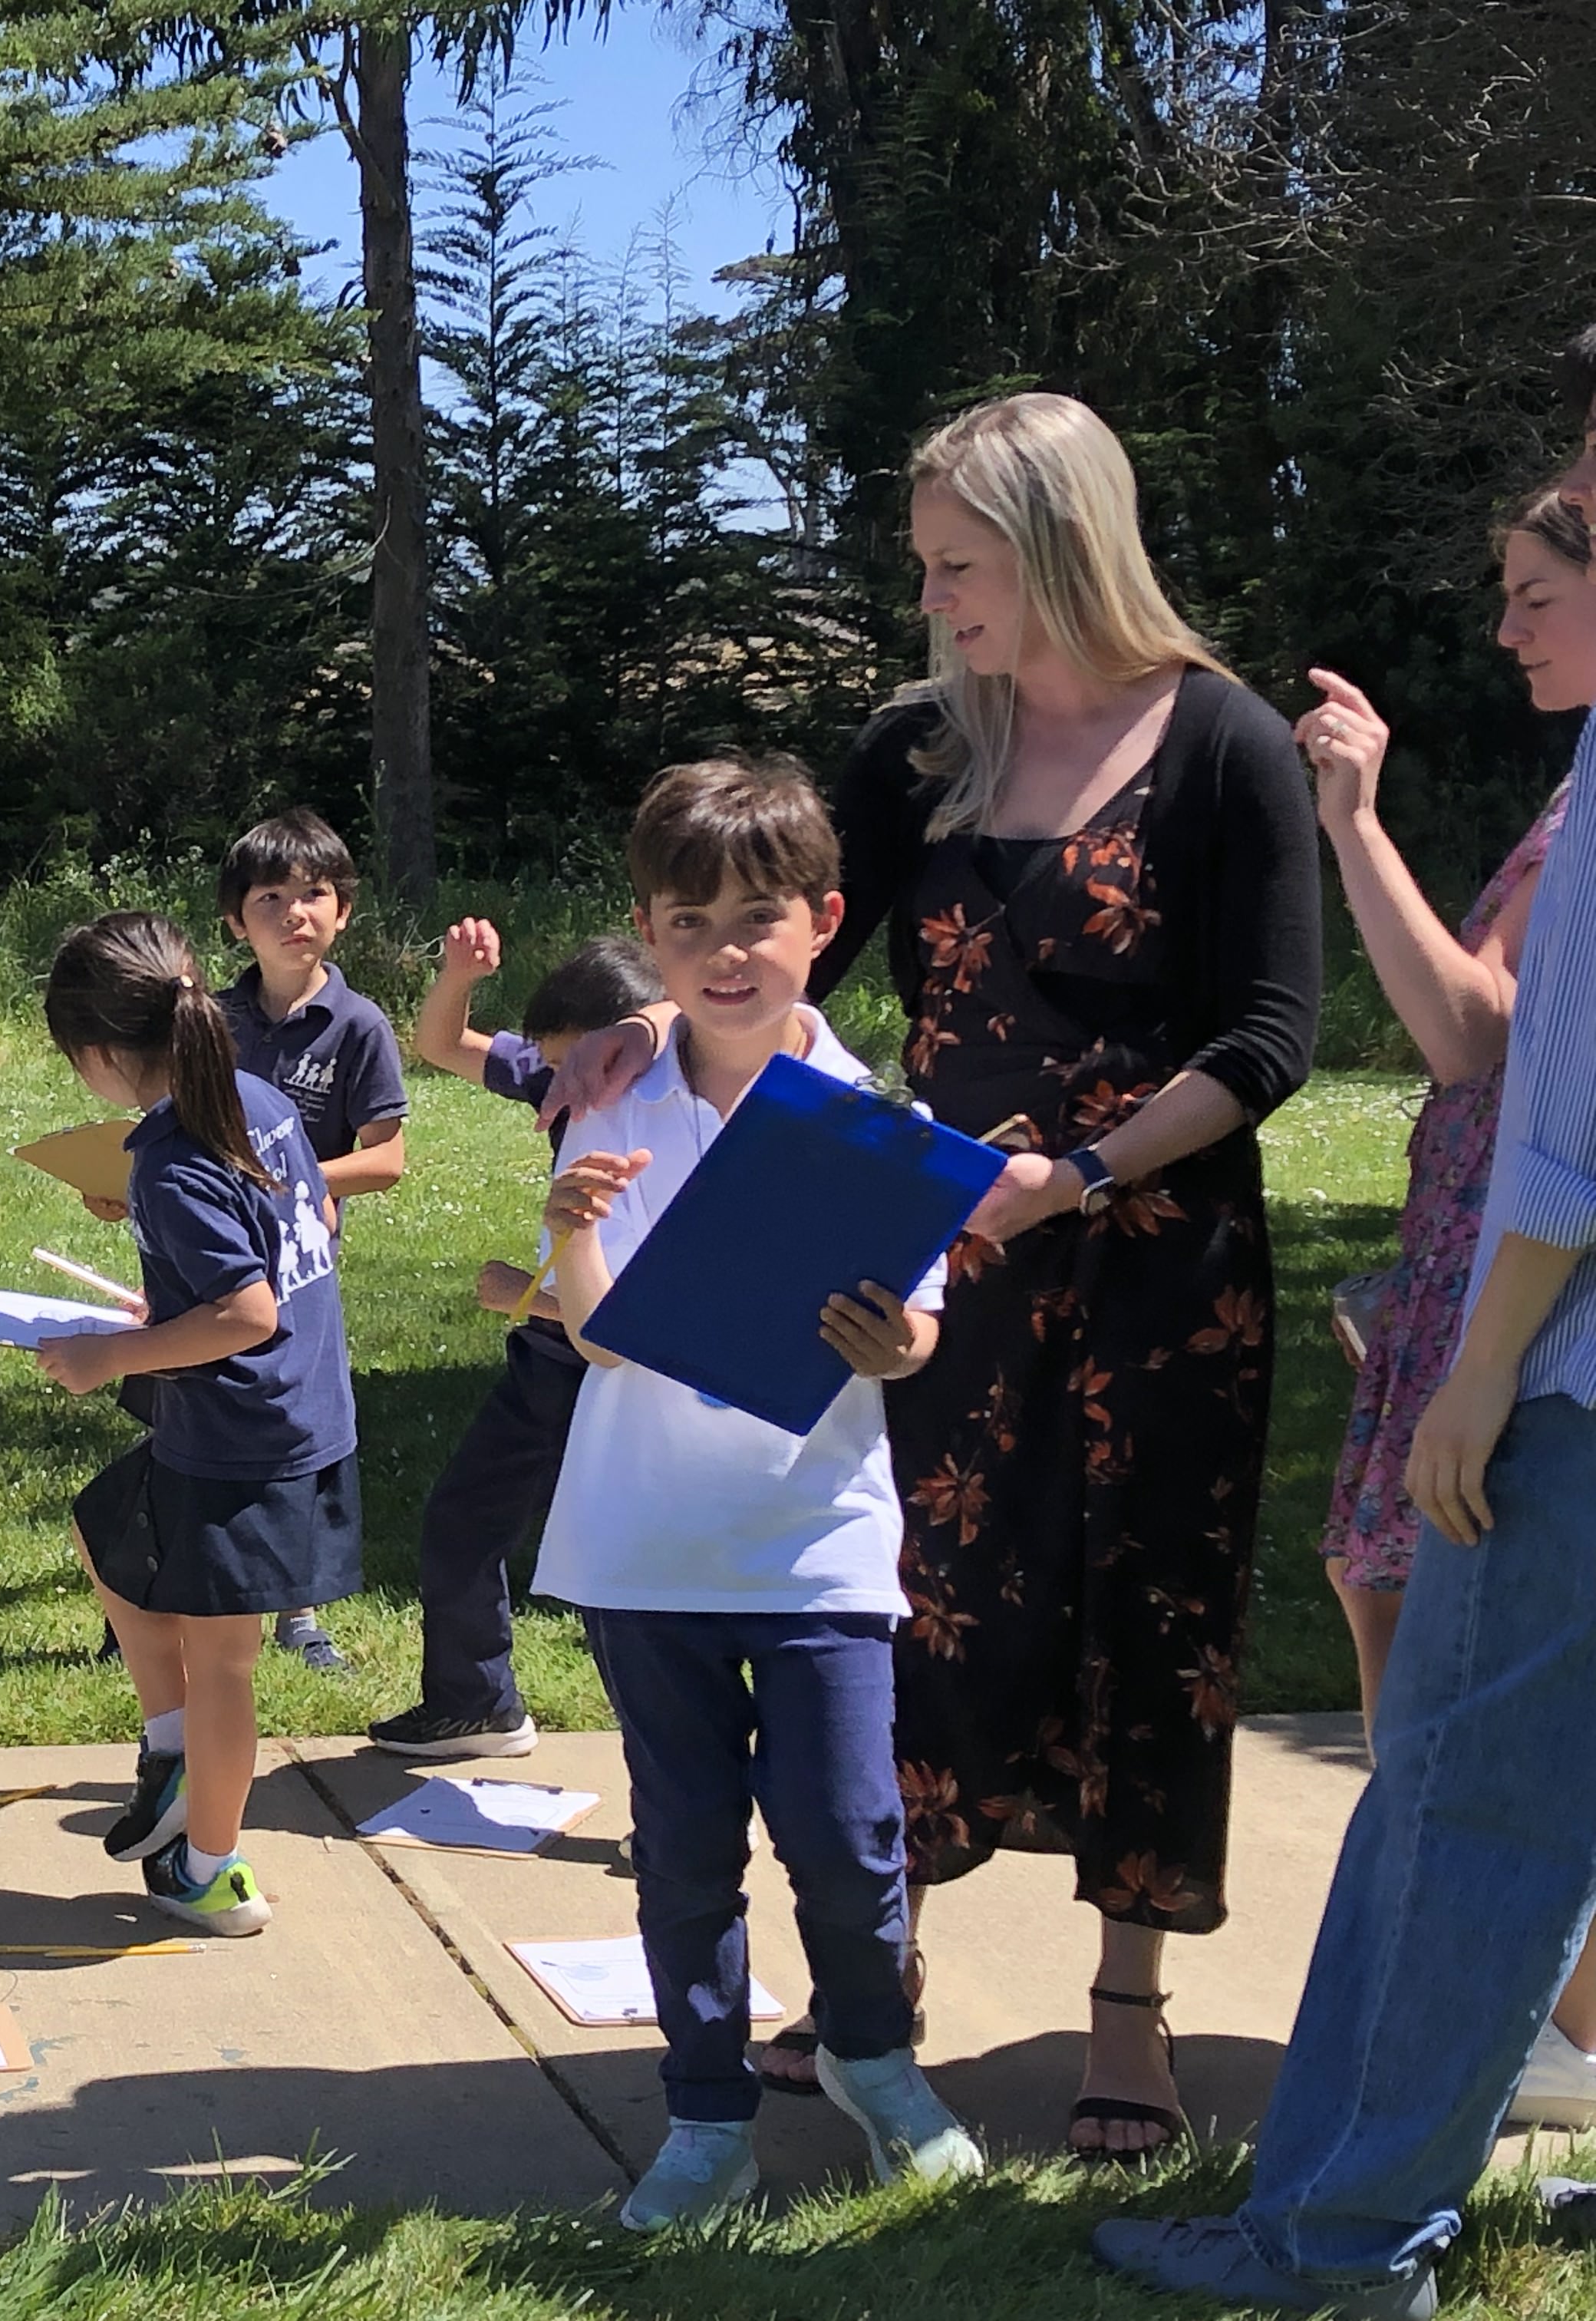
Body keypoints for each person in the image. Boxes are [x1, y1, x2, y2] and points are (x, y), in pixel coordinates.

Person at [557, 393, 1321, 2154]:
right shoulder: (921, 742)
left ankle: (1128, 2008)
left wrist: (1079, 1180)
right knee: (932, 1605)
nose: (934, 601)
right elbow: (780, 912)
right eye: (925, 566)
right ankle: (875, 1980)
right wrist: (631, 1035)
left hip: (1155, 1252)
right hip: (932, 1240)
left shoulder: (1226, 745)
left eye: (959, 566)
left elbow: (1273, 1034)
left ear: (1061, 551)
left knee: (1150, 1623)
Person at [1091, 328, 1596, 2321]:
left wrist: (1478, 1367)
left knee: (1460, 1816)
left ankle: (1333, 2246)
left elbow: (1551, 1104)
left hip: (1561, 1372)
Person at [532, 757, 981, 2230]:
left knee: (850, 1837)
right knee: (681, 1849)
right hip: (645, 1538)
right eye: (686, 923)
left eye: (757, 917)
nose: (725, 951)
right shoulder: (612, 1098)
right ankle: (706, 2111)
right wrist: (569, 1233)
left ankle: (874, 2062)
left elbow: (914, 1325)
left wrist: (895, 1340)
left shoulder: (868, 1121)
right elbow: (594, 1330)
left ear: (822, 920)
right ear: (647, 936)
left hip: (814, 1543)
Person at [1292, 487, 1591, 2132]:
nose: (1506, 628)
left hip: (1525, 1286)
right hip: (1468, 1270)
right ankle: (1484, 2001)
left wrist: (1355, 822)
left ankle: (1552, 2036)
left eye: (1538, 591)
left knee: (1472, 1667)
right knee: (1392, 1606)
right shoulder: (1573, 795)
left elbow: (1479, 1039)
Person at [33, 911, 361, 1936]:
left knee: (227, 1662)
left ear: (95, 1056)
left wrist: (112, 1355)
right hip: (290, 1410)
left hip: (245, 1436)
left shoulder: (171, 1162)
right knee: (106, 1528)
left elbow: (245, 1312)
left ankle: (211, 1871)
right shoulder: (252, 1101)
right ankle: (171, 1750)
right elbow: (288, 1237)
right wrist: (164, 1297)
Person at [368, 924, 663, 1758]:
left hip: (608, 1377)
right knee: (462, 1522)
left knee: (626, 1588)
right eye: (553, 1064)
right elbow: (437, 1042)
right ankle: (476, 1704)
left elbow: (645, 1319)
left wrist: (524, 1299)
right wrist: (458, 975)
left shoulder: (669, 1131)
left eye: (577, 1063)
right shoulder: (566, 1082)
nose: (561, 1084)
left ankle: (681, 1788)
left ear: (634, 1044)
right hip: (549, 1361)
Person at [215, 807, 408, 1672]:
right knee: (186, 1405)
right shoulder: (208, 1022)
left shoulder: (357, 1025)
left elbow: (389, 1159)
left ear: (344, 911)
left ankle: (300, 1611)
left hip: (299, 1265)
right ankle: (181, 1585)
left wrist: (290, 1177)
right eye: (272, 897)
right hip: (207, 1251)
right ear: (234, 920)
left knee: (296, 1425)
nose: (296, 912)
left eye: (315, 894)